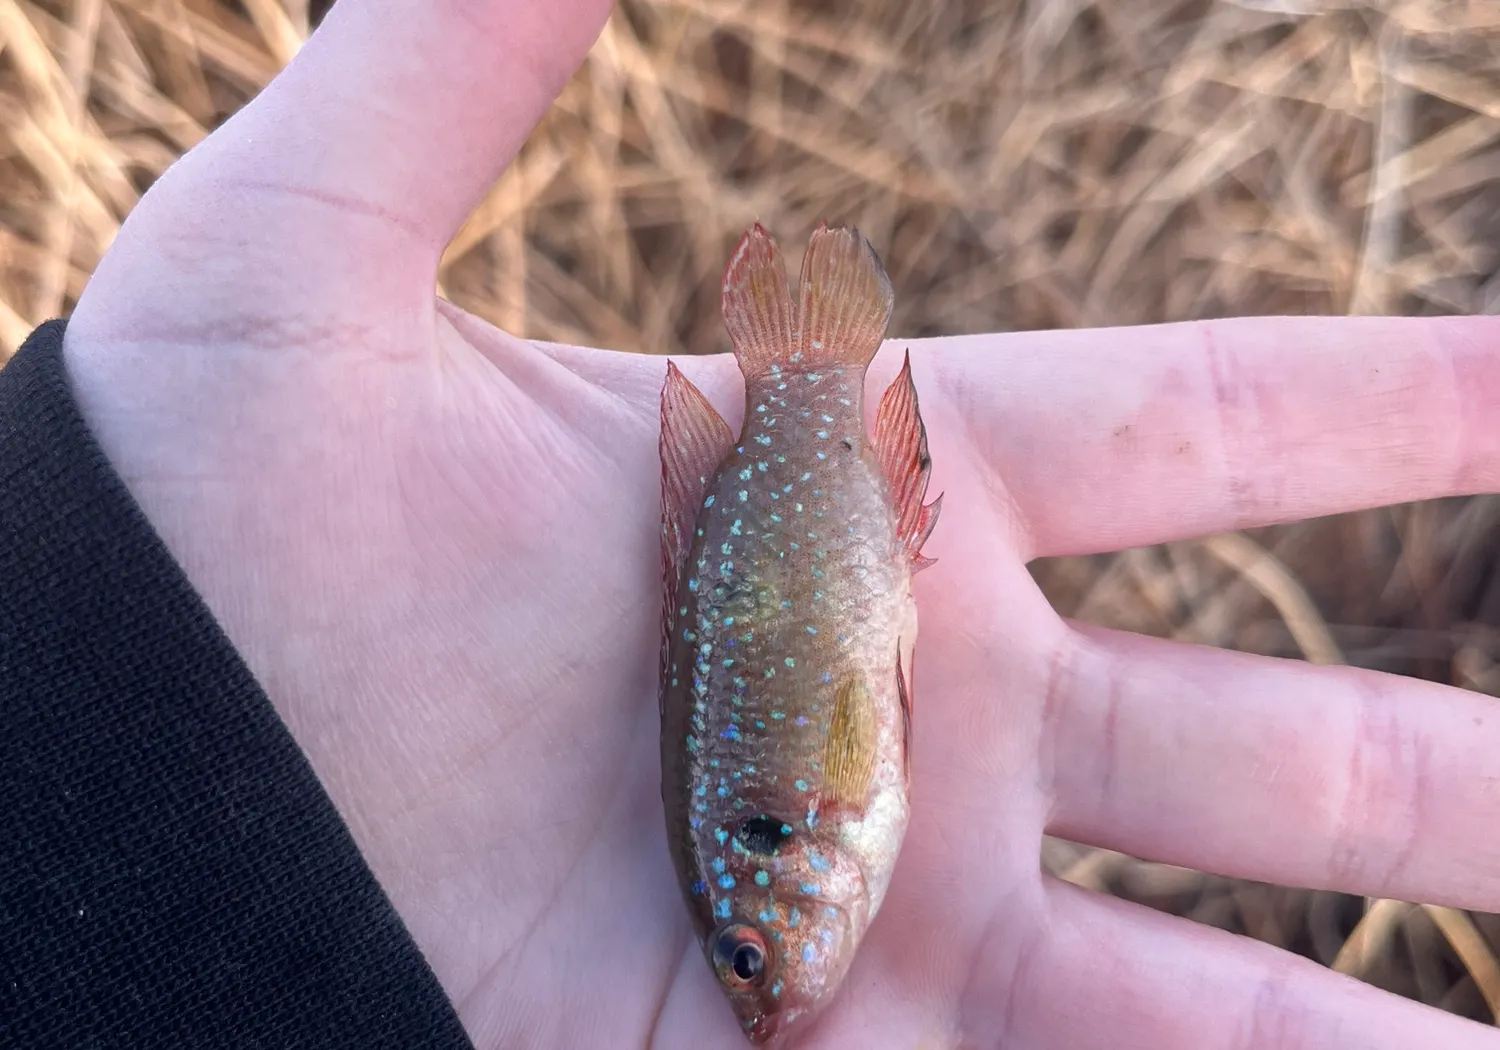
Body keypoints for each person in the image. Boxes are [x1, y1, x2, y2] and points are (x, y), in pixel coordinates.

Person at [3, 1, 1497, 1047]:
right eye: (745, 962)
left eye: (743, 951)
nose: (763, 984)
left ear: (780, 860)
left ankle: (801, 383)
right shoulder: (799, 825)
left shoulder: (807, 811)